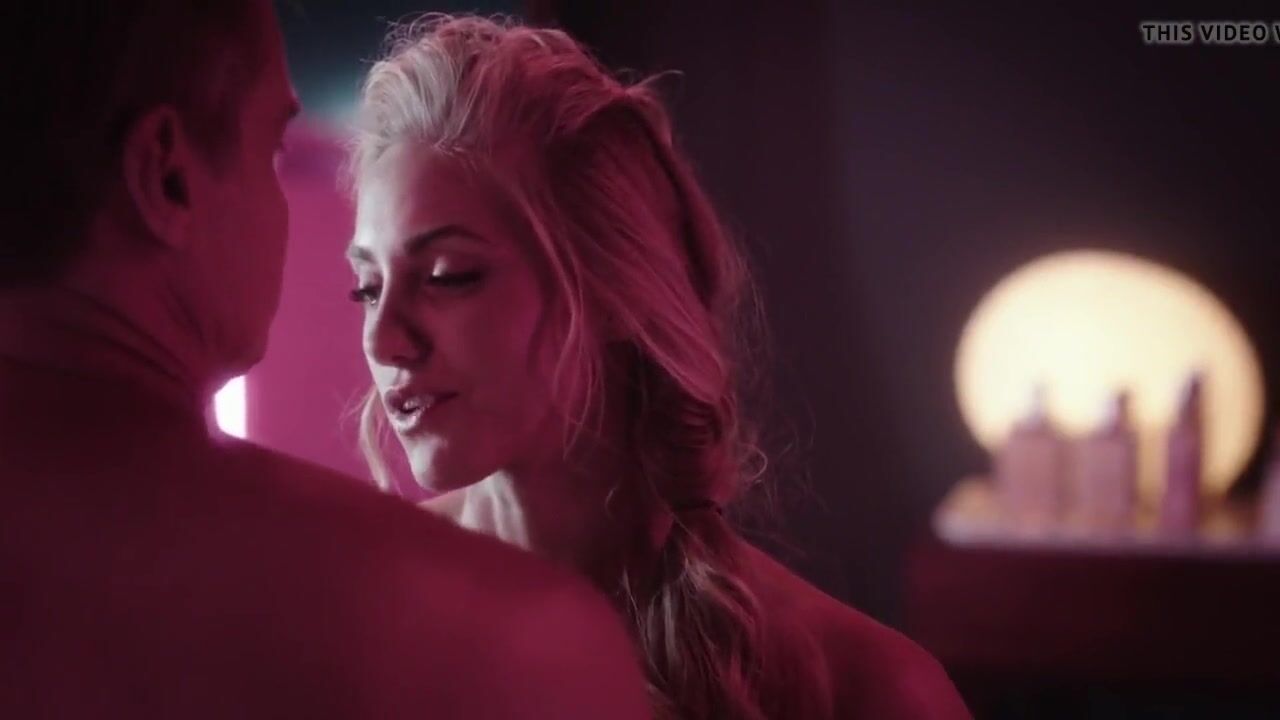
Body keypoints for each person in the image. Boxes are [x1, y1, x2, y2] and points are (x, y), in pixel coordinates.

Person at [0, 3, 648, 717]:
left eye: (447, 276)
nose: (379, 339)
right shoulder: (507, 644)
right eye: (274, 148)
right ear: (168, 176)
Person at [348, 13, 972, 720]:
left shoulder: (862, 689)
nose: (383, 339)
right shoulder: (351, 612)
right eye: (366, 288)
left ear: (615, 290)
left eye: (447, 275)